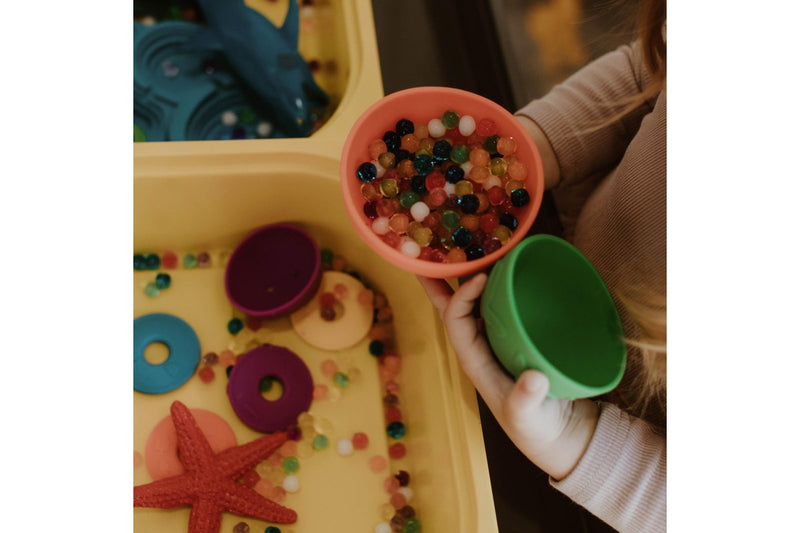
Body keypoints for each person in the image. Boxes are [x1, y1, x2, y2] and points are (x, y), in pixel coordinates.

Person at [417, 0, 667, 531]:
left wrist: (571, 439)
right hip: (547, 256)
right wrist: (530, 150)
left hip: (592, 461)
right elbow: (646, 71)